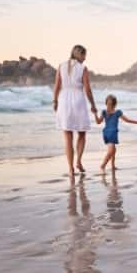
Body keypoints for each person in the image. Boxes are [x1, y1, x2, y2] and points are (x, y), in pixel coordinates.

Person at [53, 44, 99, 176]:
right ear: (80, 54)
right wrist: (93, 104)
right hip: (78, 99)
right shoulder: (82, 68)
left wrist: (55, 101)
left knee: (68, 137)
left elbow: (57, 86)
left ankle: (70, 168)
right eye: (84, 55)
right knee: (82, 133)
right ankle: (78, 161)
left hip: (64, 100)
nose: (85, 58)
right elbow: (87, 89)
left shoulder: (61, 66)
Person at [94, 94, 137, 173]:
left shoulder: (109, 112)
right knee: (111, 150)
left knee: (113, 150)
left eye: (110, 104)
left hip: (108, 132)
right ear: (114, 104)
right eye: (108, 104)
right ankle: (103, 165)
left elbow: (98, 122)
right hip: (111, 133)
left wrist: (95, 114)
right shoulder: (110, 112)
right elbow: (127, 120)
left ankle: (113, 166)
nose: (109, 106)